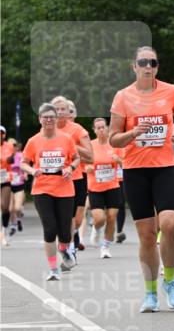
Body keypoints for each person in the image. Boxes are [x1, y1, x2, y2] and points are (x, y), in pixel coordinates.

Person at [109, 45, 174, 311]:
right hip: (135, 170)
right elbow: (113, 137)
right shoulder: (123, 97)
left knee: (169, 223)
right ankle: (151, 293)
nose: (147, 66)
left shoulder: (172, 91)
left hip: (165, 166)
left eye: (152, 62)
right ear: (134, 66)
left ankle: (170, 281)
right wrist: (133, 134)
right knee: (146, 235)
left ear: (157, 66)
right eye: (142, 62)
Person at [20, 103, 77, 280]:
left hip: (65, 189)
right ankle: (53, 269)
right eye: (45, 117)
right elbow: (23, 162)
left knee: (65, 233)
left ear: (56, 119)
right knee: (50, 228)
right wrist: (31, 171)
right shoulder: (33, 141)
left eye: (52, 117)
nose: (49, 120)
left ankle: (64, 249)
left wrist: (71, 169)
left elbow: (76, 158)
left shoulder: (66, 139)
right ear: (40, 119)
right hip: (42, 189)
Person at [53, 97, 93, 261]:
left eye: (64, 109)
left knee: (76, 220)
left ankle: (71, 236)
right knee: (63, 217)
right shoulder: (48, 130)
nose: (61, 112)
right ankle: (68, 249)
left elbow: (90, 157)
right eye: (57, 109)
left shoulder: (78, 130)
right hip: (56, 179)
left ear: (69, 112)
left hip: (77, 177)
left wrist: (70, 144)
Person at [86, 117, 123, 258]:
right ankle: (96, 228)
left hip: (112, 185)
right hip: (95, 187)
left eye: (103, 127)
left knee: (112, 217)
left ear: (107, 128)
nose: (101, 130)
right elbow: (82, 162)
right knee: (100, 218)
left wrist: (118, 160)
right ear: (94, 130)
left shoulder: (115, 144)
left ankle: (105, 246)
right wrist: (87, 167)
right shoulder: (90, 145)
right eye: (98, 128)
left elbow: (125, 163)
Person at [1, 126, 14, 246]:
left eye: (1, 133)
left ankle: (4, 231)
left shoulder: (9, 146)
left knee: (5, 207)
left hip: (5, 178)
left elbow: (11, 160)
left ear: (4, 135)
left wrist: (10, 159)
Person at [9, 141, 26, 235]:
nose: (13, 148)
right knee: (10, 209)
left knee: (17, 208)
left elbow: (25, 165)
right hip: (8, 184)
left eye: (14, 146)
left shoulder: (20, 155)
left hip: (19, 184)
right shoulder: (5, 156)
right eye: (11, 146)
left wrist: (25, 173)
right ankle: (13, 225)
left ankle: (18, 219)